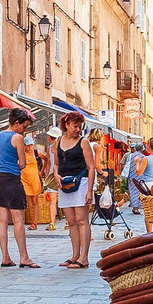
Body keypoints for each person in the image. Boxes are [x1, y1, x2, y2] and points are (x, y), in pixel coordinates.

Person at [0, 107, 39, 268]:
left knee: (2, 220)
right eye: (25, 126)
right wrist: (12, 165)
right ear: (16, 123)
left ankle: (5, 257)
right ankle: (24, 257)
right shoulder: (17, 138)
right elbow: (22, 163)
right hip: (11, 180)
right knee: (18, 220)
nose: (25, 129)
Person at [53, 108, 93, 269]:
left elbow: (91, 167)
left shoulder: (83, 142)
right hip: (64, 184)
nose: (78, 129)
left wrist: (89, 190)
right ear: (67, 125)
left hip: (81, 182)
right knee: (71, 221)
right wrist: (55, 175)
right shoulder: (58, 141)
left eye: (80, 126)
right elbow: (56, 164)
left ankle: (84, 257)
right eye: (75, 126)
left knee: (82, 220)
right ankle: (75, 255)